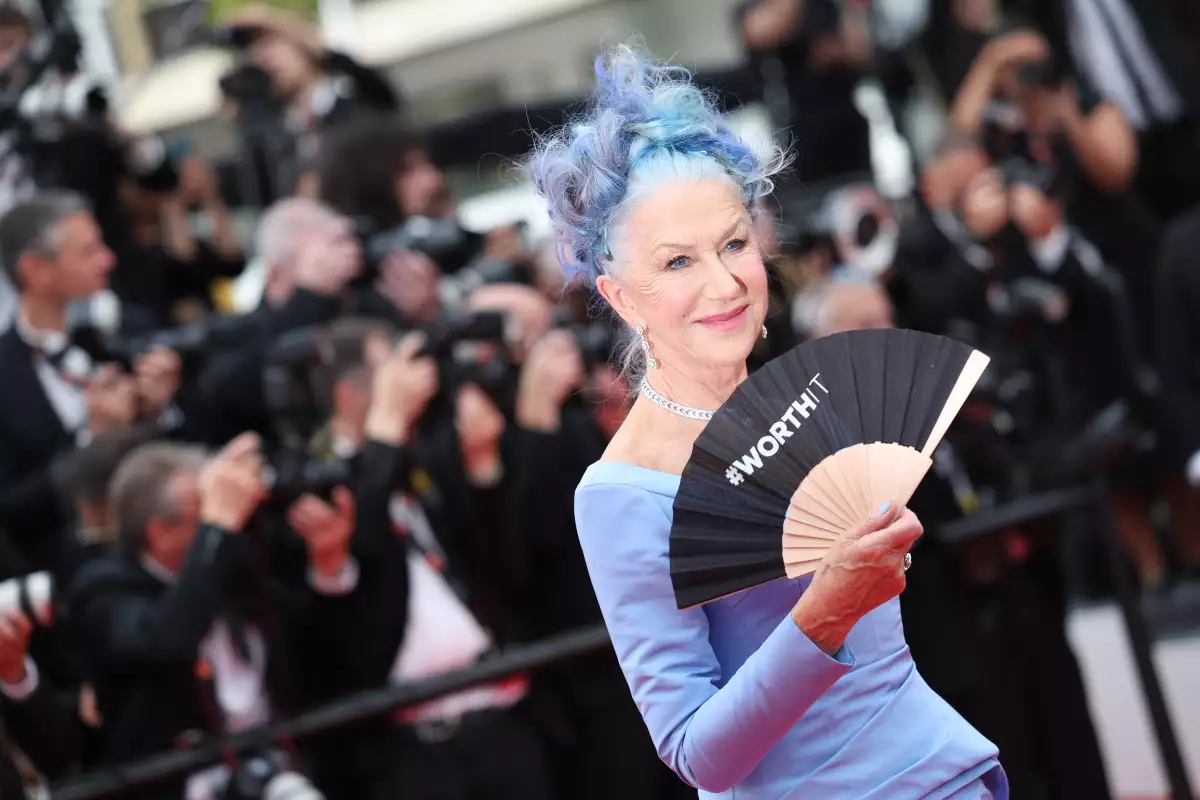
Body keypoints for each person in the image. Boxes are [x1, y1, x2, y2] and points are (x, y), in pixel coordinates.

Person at [530, 45, 1006, 798]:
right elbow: (697, 752)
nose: (723, 283)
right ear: (622, 297)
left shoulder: (808, 399)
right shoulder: (622, 492)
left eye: (733, 244)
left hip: (946, 775)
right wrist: (826, 609)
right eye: (677, 262)